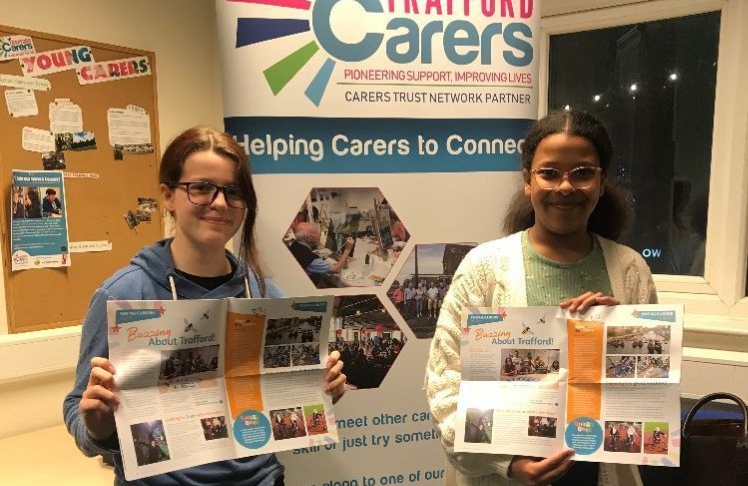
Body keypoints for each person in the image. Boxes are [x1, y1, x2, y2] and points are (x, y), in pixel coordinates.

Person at [62, 127, 347, 486]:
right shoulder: (122, 294)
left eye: (233, 191)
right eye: (200, 188)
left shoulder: (265, 296)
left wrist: (320, 392)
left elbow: (286, 409)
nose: (220, 203)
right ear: (168, 196)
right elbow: (78, 410)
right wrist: (97, 427)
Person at [425, 110, 657, 486]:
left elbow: (647, 393)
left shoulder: (630, 271)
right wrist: (509, 463)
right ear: (528, 182)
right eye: (549, 172)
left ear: (601, 182)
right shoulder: (485, 268)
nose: (565, 187)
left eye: (582, 172)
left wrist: (623, 335)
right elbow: (447, 384)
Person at [289, 221, 353, 286]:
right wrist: (347, 249)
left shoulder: (294, 244)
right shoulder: (309, 258)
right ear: (308, 238)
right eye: (315, 232)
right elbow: (336, 269)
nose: (319, 234)